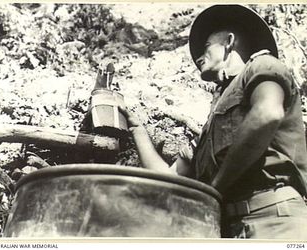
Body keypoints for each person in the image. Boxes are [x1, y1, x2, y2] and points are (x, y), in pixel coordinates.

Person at [120, 5, 307, 239]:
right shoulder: (212, 122)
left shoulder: (262, 66)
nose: (198, 56)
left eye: (206, 46)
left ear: (229, 41)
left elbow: (267, 114)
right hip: (230, 228)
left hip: (274, 219)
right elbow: (169, 181)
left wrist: (215, 188)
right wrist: (137, 129)